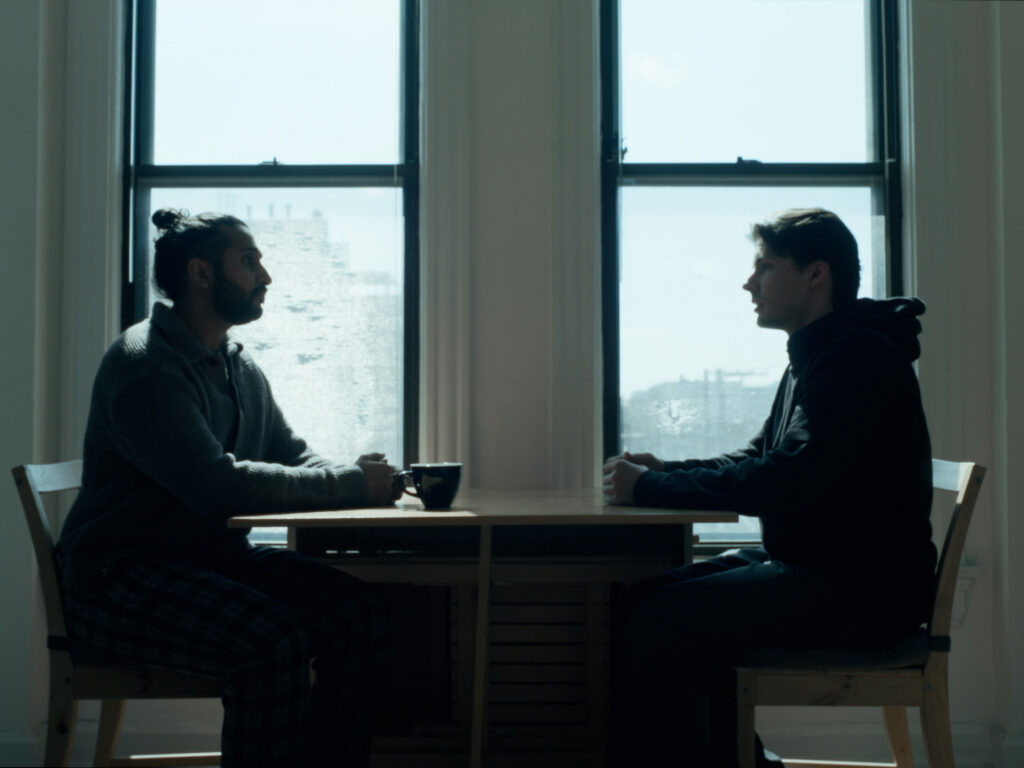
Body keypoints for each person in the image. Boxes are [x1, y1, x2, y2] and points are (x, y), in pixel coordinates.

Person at [57, 208, 401, 767]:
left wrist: (362, 478)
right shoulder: (146, 367)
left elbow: (289, 454)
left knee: (359, 613)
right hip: (117, 578)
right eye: (248, 261)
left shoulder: (236, 366)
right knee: (270, 641)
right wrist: (349, 484)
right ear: (201, 274)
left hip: (207, 563)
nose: (265, 276)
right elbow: (219, 487)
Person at [602, 208, 936, 767]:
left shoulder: (857, 359)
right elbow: (763, 456)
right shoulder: (823, 352)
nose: (749, 282)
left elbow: (786, 480)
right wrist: (665, 472)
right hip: (825, 568)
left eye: (766, 266)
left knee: (657, 624)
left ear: (815, 274)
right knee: (638, 601)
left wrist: (653, 486)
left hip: (859, 592)